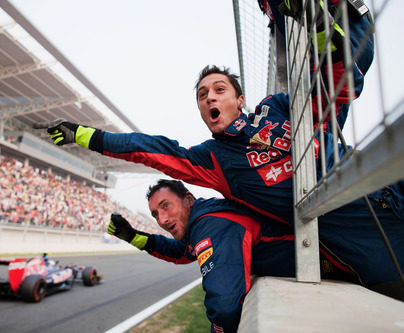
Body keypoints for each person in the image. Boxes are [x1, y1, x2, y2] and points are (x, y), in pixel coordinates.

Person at [34, 0, 404, 298]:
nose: (209, 96)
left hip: (388, 180)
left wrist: (326, 33)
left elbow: (334, 86)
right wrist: (85, 135)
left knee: (350, 55)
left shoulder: (276, 106)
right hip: (371, 247)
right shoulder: (213, 160)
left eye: (219, 89)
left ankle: (314, 15)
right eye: (202, 95)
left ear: (240, 99)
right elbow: (147, 147)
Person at [107, 179, 364, 332]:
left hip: (347, 263)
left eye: (166, 207)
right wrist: (134, 236)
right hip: (337, 260)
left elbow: (224, 305)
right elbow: (181, 251)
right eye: (155, 214)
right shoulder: (201, 218)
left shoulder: (209, 225)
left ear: (188, 199)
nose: (162, 219)